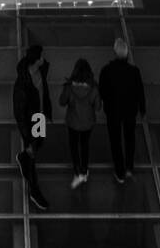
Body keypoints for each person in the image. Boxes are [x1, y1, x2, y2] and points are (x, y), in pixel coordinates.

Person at [99, 39, 146, 184]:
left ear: (114, 52)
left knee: (115, 141)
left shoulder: (106, 70)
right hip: (129, 111)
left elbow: (102, 91)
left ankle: (119, 172)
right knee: (129, 138)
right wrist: (142, 109)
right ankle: (129, 167)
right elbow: (140, 92)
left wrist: (105, 104)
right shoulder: (134, 71)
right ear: (127, 54)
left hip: (113, 111)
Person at [13, 44, 52, 211]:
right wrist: (27, 136)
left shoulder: (40, 70)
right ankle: (34, 191)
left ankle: (24, 156)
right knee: (33, 152)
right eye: (42, 56)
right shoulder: (22, 83)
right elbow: (19, 113)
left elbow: (45, 66)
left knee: (39, 143)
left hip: (40, 116)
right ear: (36, 60)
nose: (44, 58)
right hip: (32, 121)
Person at [60, 59, 102, 189]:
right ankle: (84, 171)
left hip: (73, 122)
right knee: (84, 145)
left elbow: (62, 102)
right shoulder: (94, 88)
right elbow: (98, 107)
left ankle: (77, 171)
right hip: (88, 123)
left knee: (73, 146)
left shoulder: (69, 87)